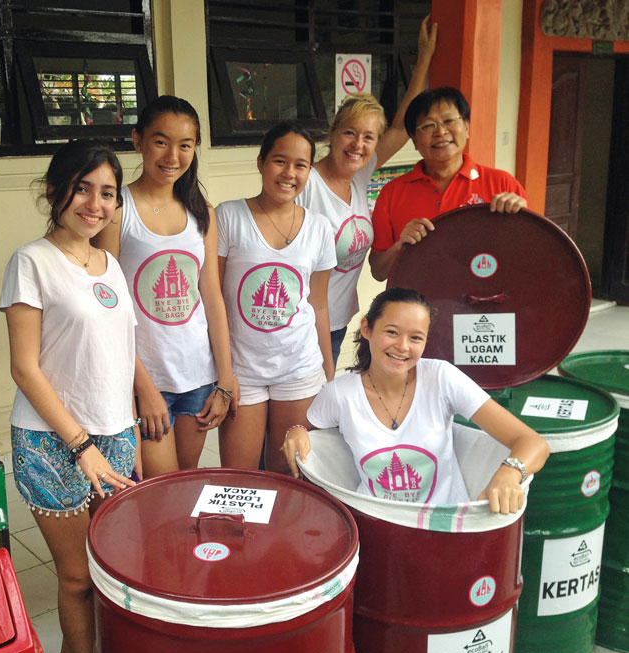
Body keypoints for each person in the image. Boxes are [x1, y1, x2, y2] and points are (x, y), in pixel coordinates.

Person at [0, 140, 138, 653]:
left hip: (115, 435)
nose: (94, 203)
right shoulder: (31, 262)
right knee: (78, 575)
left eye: (107, 193)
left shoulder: (109, 263)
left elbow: (121, 353)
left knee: (112, 568)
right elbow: (24, 368)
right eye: (82, 188)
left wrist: (129, 432)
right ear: (56, 191)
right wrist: (81, 446)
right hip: (52, 441)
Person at [281, 288, 549, 514]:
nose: (403, 346)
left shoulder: (441, 378)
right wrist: (296, 432)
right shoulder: (340, 394)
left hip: (449, 523)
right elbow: (304, 430)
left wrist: (510, 473)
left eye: (416, 337)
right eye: (392, 332)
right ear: (367, 328)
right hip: (377, 525)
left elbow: (533, 443)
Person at [95, 95, 236, 478]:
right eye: (161, 141)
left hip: (197, 377)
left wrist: (225, 377)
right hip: (143, 377)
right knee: (159, 489)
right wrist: (143, 387)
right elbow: (108, 311)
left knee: (184, 483)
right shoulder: (116, 209)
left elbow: (212, 297)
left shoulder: (201, 211)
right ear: (137, 139)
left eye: (185, 145)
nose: (173, 155)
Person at [297, 15, 436, 363]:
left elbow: (405, 125)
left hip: (340, 318)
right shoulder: (306, 183)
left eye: (369, 137)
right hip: (303, 322)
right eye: (350, 132)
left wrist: (423, 59)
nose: (358, 144)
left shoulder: (360, 177)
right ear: (333, 132)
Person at [217, 122, 337, 474]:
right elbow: (215, 299)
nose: (289, 173)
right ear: (261, 163)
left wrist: (327, 371)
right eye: (279, 161)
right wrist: (222, 372)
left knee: (290, 474)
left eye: (300, 165)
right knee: (240, 478)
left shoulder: (319, 228)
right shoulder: (229, 216)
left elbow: (319, 304)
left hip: (299, 367)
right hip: (243, 370)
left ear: (309, 172)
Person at [369, 87, 529, 282]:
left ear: (467, 127)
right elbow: (378, 272)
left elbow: (531, 257)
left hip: (484, 304)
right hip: (416, 307)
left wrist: (522, 222)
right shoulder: (392, 193)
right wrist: (401, 245)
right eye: (428, 126)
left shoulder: (503, 184)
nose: (441, 132)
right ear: (414, 140)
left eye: (449, 121)